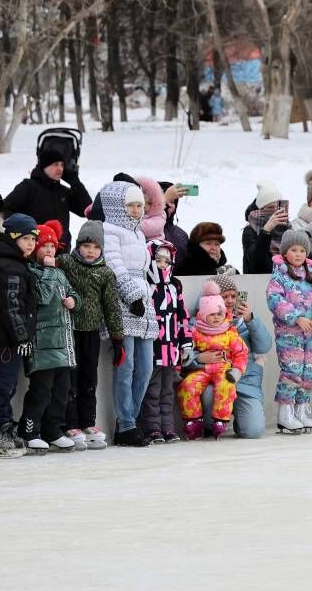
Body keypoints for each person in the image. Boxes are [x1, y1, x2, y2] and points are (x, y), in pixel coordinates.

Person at [100, 181, 158, 447]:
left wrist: (148, 288)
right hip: (123, 303)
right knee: (127, 366)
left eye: (140, 206)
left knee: (145, 368)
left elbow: (144, 268)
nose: (136, 211)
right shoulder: (109, 230)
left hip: (144, 304)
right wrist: (131, 294)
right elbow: (114, 264)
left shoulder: (139, 234)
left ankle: (129, 423)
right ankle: (127, 424)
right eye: (131, 205)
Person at [57, 220, 122, 451]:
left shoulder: (105, 273)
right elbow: (50, 258)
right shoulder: (67, 263)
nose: (90, 251)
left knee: (89, 379)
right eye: (86, 246)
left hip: (91, 333)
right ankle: (69, 422)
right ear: (78, 246)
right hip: (69, 331)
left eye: (95, 247)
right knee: (70, 379)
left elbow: (112, 307)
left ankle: (87, 422)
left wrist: (118, 339)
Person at [0, 213, 39, 458]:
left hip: (7, 339)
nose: (31, 243)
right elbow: (11, 307)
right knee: (1, 384)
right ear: (12, 237)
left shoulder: (15, 264)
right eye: (25, 238)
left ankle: (4, 424)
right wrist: (22, 337)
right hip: (4, 341)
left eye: (33, 239)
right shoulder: (10, 268)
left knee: (8, 384)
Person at [19, 220, 79, 454]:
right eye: (44, 246)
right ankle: (29, 430)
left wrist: (74, 301)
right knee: (41, 391)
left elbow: (71, 293)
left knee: (61, 391)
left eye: (52, 247)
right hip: (42, 345)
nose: (49, 251)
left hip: (63, 344)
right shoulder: (32, 272)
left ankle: (53, 430)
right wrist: (52, 271)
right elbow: (43, 297)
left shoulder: (59, 274)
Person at [267, 229, 312, 434]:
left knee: (308, 371)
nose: (298, 254)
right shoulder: (280, 276)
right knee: (291, 370)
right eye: (294, 250)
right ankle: (285, 412)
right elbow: (275, 300)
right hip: (289, 333)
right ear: (285, 252)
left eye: (302, 250)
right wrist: (297, 318)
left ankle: (301, 409)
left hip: (310, 333)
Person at [197, 274, 273, 439]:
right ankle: (211, 425)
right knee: (209, 392)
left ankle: (241, 420)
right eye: (225, 297)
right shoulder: (201, 324)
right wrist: (199, 358)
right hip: (215, 381)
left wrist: (251, 320)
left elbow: (265, 346)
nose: (230, 301)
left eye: (234, 296)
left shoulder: (246, 321)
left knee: (253, 431)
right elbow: (186, 353)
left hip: (246, 383)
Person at [178, 281, 248, 440]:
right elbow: (186, 348)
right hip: (201, 369)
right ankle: (193, 420)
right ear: (203, 314)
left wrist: (237, 370)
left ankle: (220, 420)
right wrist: (190, 357)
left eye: (219, 314)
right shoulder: (195, 330)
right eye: (212, 314)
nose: (216, 318)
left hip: (223, 369)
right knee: (187, 385)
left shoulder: (229, 330)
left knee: (226, 386)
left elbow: (241, 352)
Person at [140, 240, 190, 444]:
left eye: (166, 261)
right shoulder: (146, 285)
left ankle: (168, 427)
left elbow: (182, 315)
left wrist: (185, 343)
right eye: (158, 260)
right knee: (152, 389)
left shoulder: (175, 285)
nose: (162, 264)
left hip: (171, 348)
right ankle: (152, 428)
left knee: (168, 390)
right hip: (152, 347)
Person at [4, 147, 93, 249]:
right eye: (55, 164)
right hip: (34, 249)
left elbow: (87, 210)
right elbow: (5, 209)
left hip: (61, 251)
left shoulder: (63, 191)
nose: (60, 168)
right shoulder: (28, 187)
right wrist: (25, 229)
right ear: (44, 166)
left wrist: (76, 183)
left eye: (62, 165)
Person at [242, 180, 290, 274]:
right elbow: (255, 261)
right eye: (271, 207)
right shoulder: (250, 230)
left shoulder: (288, 227)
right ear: (261, 210)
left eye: (278, 207)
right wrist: (266, 230)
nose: (275, 211)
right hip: (260, 283)